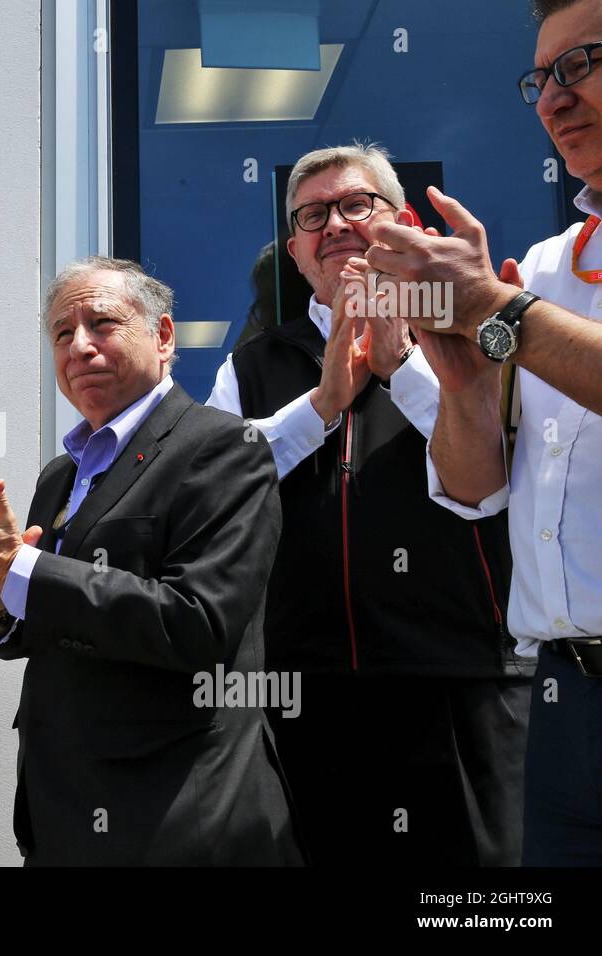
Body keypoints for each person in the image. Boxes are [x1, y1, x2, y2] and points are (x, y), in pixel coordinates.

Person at [0, 256, 301, 866]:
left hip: (176, 812)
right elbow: (52, 624)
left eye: (102, 324)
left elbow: (199, 624)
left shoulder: (222, 447)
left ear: (164, 337)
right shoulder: (61, 475)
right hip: (63, 813)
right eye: (62, 333)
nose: (79, 346)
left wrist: (21, 573)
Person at [206, 144, 531, 866]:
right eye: (313, 216)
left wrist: (403, 369)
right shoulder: (250, 365)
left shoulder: (473, 329)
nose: (336, 225)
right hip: (304, 690)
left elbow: (509, 470)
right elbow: (215, 485)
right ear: (296, 253)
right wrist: (323, 404)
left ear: (403, 221)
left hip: (460, 675)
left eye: (357, 205)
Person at [369, 0, 602, 865]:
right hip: (564, 703)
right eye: (540, 79)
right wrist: (467, 388)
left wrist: (491, 306)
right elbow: (476, 491)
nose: (551, 100)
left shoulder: (519, 290)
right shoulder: (545, 268)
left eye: (579, 66)